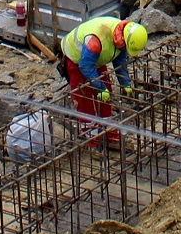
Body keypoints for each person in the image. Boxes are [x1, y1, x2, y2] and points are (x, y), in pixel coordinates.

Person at [59, 15, 147, 145]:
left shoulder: (122, 38)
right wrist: (99, 88)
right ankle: (91, 141)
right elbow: (85, 65)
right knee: (85, 99)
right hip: (77, 60)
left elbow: (120, 62)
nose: (126, 51)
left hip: (96, 60)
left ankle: (110, 134)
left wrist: (125, 84)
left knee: (106, 95)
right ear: (123, 40)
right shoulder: (96, 40)